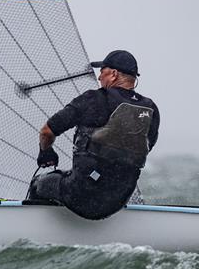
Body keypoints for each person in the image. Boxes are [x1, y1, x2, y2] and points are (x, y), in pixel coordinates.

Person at [27, 50, 160, 219]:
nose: (99, 78)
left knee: (39, 184)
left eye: (102, 72)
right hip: (119, 198)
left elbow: (47, 132)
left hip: (82, 194)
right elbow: (144, 148)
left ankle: (40, 229)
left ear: (113, 74)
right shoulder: (150, 110)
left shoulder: (93, 99)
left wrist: (46, 152)